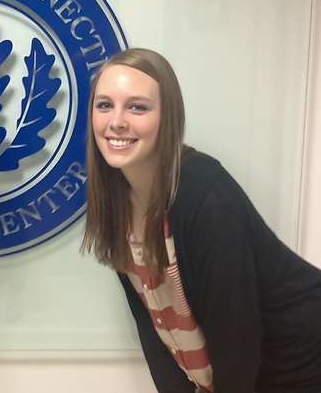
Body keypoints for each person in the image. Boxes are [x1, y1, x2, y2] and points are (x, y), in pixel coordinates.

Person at [83, 48, 321, 393]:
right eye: (104, 105)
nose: (116, 120)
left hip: (300, 359)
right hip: (250, 362)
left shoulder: (205, 196)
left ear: (167, 117)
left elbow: (236, 336)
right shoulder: (114, 202)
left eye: (137, 106)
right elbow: (155, 329)